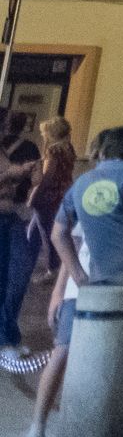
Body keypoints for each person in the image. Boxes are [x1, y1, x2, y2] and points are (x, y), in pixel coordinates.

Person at [21, 125, 123, 437]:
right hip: (107, 287)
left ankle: (43, 431)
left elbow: (64, 237)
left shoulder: (85, 185)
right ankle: (42, 430)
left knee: (66, 354)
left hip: (83, 287)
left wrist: (72, 282)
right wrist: (65, 287)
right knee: (78, 354)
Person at [0, 112, 41, 362]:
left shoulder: (4, 149)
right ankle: (5, 339)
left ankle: (8, 335)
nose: (8, 129)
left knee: (17, 275)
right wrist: (10, 175)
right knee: (7, 278)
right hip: (5, 217)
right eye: (5, 125)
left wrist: (23, 173)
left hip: (11, 217)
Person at [29, 118, 74, 278]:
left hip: (47, 197)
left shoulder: (53, 151)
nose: (43, 135)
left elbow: (47, 177)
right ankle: (29, 264)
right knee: (34, 232)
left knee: (46, 234)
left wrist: (33, 196)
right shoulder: (68, 148)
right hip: (62, 194)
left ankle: (52, 269)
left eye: (44, 132)